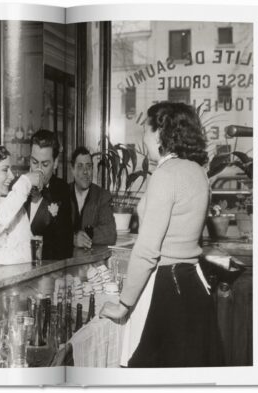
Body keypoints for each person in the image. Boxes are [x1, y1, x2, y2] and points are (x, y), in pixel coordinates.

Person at [100, 102, 220, 368]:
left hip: (167, 287)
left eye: (145, 130)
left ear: (159, 134)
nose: (143, 138)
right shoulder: (199, 173)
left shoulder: (165, 175)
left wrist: (123, 304)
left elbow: (147, 249)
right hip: (193, 285)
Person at [24, 129, 73, 260]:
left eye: (45, 164)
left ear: (55, 163)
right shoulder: (16, 186)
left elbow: (64, 246)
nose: (38, 169)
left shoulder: (62, 191)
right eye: (34, 162)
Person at [69, 146, 116, 248]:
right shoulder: (63, 193)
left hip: (91, 260)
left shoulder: (102, 196)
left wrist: (83, 236)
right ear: (72, 169)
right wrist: (72, 238)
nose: (85, 172)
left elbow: (110, 234)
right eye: (80, 167)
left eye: (89, 166)